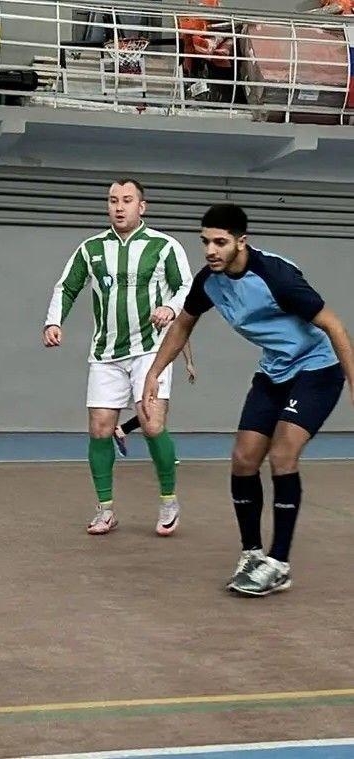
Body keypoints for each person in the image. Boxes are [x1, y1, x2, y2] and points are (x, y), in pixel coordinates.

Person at [142, 204, 353, 596]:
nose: (211, 250)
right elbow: (183, 324)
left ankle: (279, 564)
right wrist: (154, 373)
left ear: (242, 241)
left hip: (316, 369)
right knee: (243, 459)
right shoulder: (209, 281)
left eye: (220, 242)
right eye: (205, 241)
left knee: (283, 454)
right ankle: (252, 554)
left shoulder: (276, 277)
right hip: (274, 371)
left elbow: (334, 325)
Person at [43, 178, 193, 536]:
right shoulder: (91, 248)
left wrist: (171, 308)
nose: (119, 207)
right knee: (99, 429)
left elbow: (187, 286)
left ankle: (168, 501)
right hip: (106, 353)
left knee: (152, 424)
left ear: (142, 206)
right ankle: (105, 509)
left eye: (127, 200)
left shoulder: (164, 246)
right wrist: (53, 321)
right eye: (113, 200)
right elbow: (67, 286)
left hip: (150, 351)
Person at [114, 340, 196, 457]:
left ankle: (122, 430)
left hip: (162, 361)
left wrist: (189, 362)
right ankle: (166, 455)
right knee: (155, 409)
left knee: (158, 410)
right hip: (150, 359)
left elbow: (183, 334)